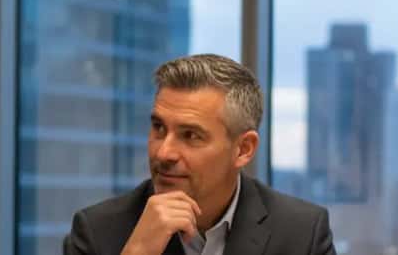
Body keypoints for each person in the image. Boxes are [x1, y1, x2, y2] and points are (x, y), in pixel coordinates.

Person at [64, 54, 336, 255]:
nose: (164, 152)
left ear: (243, 149)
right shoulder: (97, 232)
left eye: (191, 136)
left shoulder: (302, 234)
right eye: (158, 128)